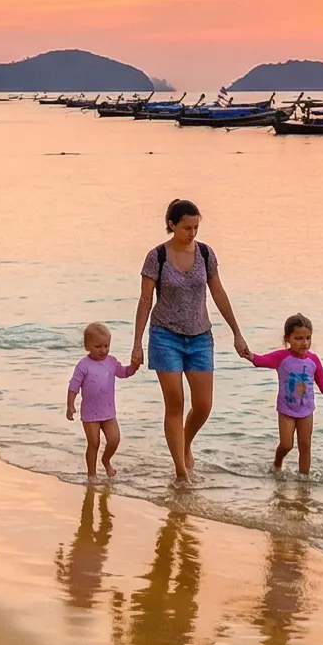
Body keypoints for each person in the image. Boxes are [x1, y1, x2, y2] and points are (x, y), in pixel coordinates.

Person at [130, 199, 247, 482]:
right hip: (164, 336)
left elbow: (218, 293)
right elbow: (146, 300)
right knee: (175, 403)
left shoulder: (206, 254)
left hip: (200, 338)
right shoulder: (156, 256)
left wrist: (236, 332)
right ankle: (181, 472)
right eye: (186, 227)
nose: (192, 233)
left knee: (204, 405)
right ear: (171, 225)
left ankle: (185, 442)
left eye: (196, 227)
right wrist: (136, 344)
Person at [246, 314, 323, 476]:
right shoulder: (282, 357)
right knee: (287, 445)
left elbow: (322, 380)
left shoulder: (313, 360)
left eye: (308, 338)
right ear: (288, 338)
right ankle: (277, 463)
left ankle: (304, 481)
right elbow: (262, 360)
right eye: (299, 338)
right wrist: (249, 355)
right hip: (286, 410)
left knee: (305, 445)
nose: (304, 343)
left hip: (306, 410)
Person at [65, 322, 141, 478]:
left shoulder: (111, 362)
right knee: (94, 443)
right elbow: (74, 385)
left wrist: (134, 367)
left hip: (108, 412)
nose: (103, 350)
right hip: (90, 413)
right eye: (98, 346)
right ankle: (92, 475)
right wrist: (70, 405)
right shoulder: (83, 365)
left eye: (106, 346)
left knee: (114, 440)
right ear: (87, 346)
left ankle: (106, 461)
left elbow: (124, 372)